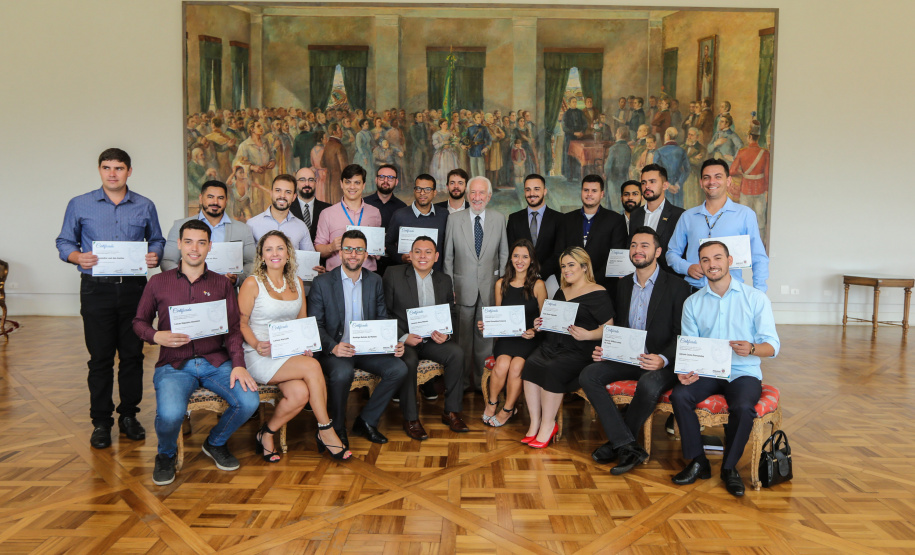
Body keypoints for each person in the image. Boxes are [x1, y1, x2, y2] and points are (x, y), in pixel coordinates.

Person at [133, 219, 260, 485]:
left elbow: (233, 330)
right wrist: (156, 335)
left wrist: (238, 364)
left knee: (249, 402)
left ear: (209, 246)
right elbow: (139, 323)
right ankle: (165, 455)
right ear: (179, 244)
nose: (195, 248)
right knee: (169, 414)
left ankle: (215, 442)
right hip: (173, 364)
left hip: (215, 361)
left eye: (201, 242)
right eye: (188, 242)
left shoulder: (222, 284)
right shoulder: (157, 282)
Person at [56, 148, 165, 449]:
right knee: (100, 359)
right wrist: (77, 255)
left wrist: (155, 254)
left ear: (129, 171)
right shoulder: (80, 204)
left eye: (119, 168)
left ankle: (129, 416)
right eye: (107, 167)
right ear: (100, 170)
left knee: (132, 357)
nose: (112, 173)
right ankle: (101, 422)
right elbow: (64, 241)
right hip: (96, 289)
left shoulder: (144, 205)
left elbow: (156, 238)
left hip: (134, 291)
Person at [670, 240, 779, 497]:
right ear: (700, 265)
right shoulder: (693, 303)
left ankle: (730, 468)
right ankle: (698, 461)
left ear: (730, 261)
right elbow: (689, 345)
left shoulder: (755, 298)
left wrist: (752, 348)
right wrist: (684, 370)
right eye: (705, 260)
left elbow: (773, 346)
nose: (711, 264)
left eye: (717, 258)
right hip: (707, 372)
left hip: (743, 372)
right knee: (680, 395)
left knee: (742, 407)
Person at [578, 227, 691, 474]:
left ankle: (618, 444)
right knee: (589, 374)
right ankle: (628, 444)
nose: (637, 250)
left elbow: (682, 333)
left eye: (644, 245)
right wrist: (605, 349)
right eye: (633, 245)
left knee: (649, 384)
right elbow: (618, 327)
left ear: (658, 251)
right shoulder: (622, 286)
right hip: (628, 357)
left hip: (661, 361)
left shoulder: (678, 287)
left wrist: (662, 359)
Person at [238, 231, 351, 462]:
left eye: (280, 248)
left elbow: (302, 324)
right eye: (268, 249)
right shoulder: (252, 283)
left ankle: (266, 434)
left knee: (299, 394)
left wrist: (305, 346)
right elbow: (240, 323)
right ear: (261, 256)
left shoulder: (297, 283)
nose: (275, 254)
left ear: (288, 254)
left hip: (288, 353)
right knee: (312, 367)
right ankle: (326, 429)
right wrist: (257, 344)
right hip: (260, 354)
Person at [308, 230, 408, 445]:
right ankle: (336, 428)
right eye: (348, 249)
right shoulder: (322, 283)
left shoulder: (375, 281)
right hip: (335, 349)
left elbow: (382, 317)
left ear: (366, 254)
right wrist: (333, 347)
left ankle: (366, 420)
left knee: (398, 368)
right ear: (340, 252)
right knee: (343, 372)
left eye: (359, 249)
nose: (353, 254)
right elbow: (315, 324)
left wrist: (393, 343)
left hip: (367, 348)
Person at [521, 247, 614, 448]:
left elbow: (609, 328)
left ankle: (548, 424)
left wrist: (589, 334)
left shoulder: (598, 292)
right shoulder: (561, 291)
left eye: (571, 265)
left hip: (580, 350)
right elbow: (551, 319)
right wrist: (539, 323)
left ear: (584, 266)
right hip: (553, 344)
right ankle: (535, 422)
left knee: (553, 368)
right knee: (531, 364)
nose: (566, 270)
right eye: (563, 266)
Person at [383, 236, 466, 438]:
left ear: (436, 257)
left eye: (428, 252)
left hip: (432, 341)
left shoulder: (444, 280)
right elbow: (383, 312)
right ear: (409, 255)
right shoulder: (393, 274)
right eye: (417, 251)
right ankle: (411, 419)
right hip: (405, 341)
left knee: (456, 353)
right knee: (409, 360)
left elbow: (451, 313)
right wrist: (402, 337)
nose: (422, 256)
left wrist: (446, 335)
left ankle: (451, 411)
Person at [443, 176, 509, 393]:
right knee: (462, 341)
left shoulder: (499, 219)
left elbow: (503, 255)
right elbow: (448, 259)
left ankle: (484, 384)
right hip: (461, 290)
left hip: (490, 290)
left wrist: (501, 287)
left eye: (482, 193)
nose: (477, 197)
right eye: (473, 193)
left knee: (485, 341)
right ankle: (460, 384)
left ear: (489, 196)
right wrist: (449, 288)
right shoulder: (454, 220)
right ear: (467, 195)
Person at [666, 159, 769, 291]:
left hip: (731, 293)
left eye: (718, 177)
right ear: (701, 183)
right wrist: (687, 267)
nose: (712, 182)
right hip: (694, 292)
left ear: (728, 181)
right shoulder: (688, 216)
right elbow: (672, 253)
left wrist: (759, 293)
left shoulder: (745, 215)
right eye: (706, 178)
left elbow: (758, 257)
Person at [479, 239, 547, 427]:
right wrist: (488, 325)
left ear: (532, 260)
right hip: (508, 338)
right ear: (510, 258)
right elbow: (498, 315)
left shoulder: (538, 285)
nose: (520, 260)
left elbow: (545, 320)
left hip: (529, 340)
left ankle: (508, 409)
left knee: (516, 366)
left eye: (525, 256)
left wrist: (534, 331)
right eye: (516, 255)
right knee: (501, 364)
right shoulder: (501, 284)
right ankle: (492, 404)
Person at [162, 180, 256, 286]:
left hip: (226, 293)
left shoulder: (243, 229)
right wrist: (184, 279)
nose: (215, 202)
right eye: (210, 197)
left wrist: (237, 279)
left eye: (220, 198)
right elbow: (167, 260)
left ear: (226, 201)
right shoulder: (180, 226)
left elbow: (252, 262)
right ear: (201, 198)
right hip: (187, 293)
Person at [557, 175, 628, 291]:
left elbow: (616, 257)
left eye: (594, 191)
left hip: (604, 287)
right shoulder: (566, 219)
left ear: (601, 194)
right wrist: (574, 279)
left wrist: (590, 281)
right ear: (581, 192)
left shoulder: (615, 220)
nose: (589, 194)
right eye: (586, 190)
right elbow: (559, 253)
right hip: (571, 286)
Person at [314, 164, 383, 272]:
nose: (352, 187)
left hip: (368, 275)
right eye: (348, 182)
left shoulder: (375, 213)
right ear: (341, 184)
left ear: (363, 185)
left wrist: (378, 250)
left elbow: (377, 250)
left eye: (357, 182)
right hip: (335, 276)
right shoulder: (327, 213)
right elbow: (318, 248)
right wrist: (331, 247)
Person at [629, 164, 685, 274]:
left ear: (665, 185)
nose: (647, 186)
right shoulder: (635, 214)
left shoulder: (679, 215)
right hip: (639, 279)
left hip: (669, 281)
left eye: (652, 182)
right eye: (643, 183)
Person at [506, 174, 562, 284]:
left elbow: (559, 252)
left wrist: (539, 274)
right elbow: (511, 249)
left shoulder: (559, 219)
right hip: (520, 278)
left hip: (550, 279)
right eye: (528, 190)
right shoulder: (514, 219)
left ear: (545, 191)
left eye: (536, 189)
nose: (532, 194)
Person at [386, 174, 448, 272]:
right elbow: (388, 243)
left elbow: (448, 245)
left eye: (427, 189)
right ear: (414, 191)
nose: (422, 193)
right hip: (406, 274)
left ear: (434, 192)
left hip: (436, 275)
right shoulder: (400, 215)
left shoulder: (444, 215)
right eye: (418, 188)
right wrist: (401, 258)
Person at [247, 174, 318, 257]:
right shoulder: (252, 224)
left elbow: (309, 259)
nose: (282, 196)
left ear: (294, 197)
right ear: (271, 193)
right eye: (278, 190)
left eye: (288, 192)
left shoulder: (301, 226)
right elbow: (248, 260)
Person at [364, 164, 408, 276]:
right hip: (367, 261)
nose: (386, 181)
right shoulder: (364, 203)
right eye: (382, 177)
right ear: (376, 180)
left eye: (390, 178)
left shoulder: (402, 207)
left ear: (396, 182)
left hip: (393, 263)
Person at [729, 120, 770, 238]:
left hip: (746, 189)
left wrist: (742, 172)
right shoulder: (765, 153)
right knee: (760, 219)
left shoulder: (742, 152)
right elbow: (767, 174)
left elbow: (732, 171)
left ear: (750, 137)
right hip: (760, 190)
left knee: (744, 219)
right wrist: (766, 191)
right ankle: (760, 243)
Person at [290, 166, 330, 242]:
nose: (307, 184)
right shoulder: (287, 209)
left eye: (311, 180)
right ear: (295, 183)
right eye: (302, 180)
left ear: (316, 182)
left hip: (321, 254)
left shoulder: (328, 209)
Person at [653, 128, 691, 207]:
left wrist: (668, 185)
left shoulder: (659, 151)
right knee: (678, 212)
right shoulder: (682, 151)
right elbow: (687, 170)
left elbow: (656, 171)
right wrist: (678, 184)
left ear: (667, 136)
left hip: (664, 187)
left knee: (664, 212)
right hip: (678, 189)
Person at [603, 126, 632, 213]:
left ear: (619, 134)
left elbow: (608, 166)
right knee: (622, 199)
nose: (615, 135)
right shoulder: (628, 149)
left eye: (616, 133)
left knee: (612, 200)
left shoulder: (613, 148)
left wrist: (606, 174)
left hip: (613, 178)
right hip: (624, 177)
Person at [322, 122, 349, 205]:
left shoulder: (327, 145)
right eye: (339, 129)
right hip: (338, 181)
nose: (341, 131)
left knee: (330, 205)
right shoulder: (339, 146)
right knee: (338, 205)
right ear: (334, 132)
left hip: (329, 181)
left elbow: (322, 164)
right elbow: (344, 169)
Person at [430, 118, 460, 190]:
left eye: (446, 124)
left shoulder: (450, 133)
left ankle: (451, 185)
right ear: (440, 125)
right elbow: (436, 146)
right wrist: (443, 143)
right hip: (441, 154)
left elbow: (454, 142)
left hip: (450, 153)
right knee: (442, 170)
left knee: (451, 168)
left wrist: (451, 145)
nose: (446, 125)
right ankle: (443, 185)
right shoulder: (437, 134)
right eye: (444, 124)